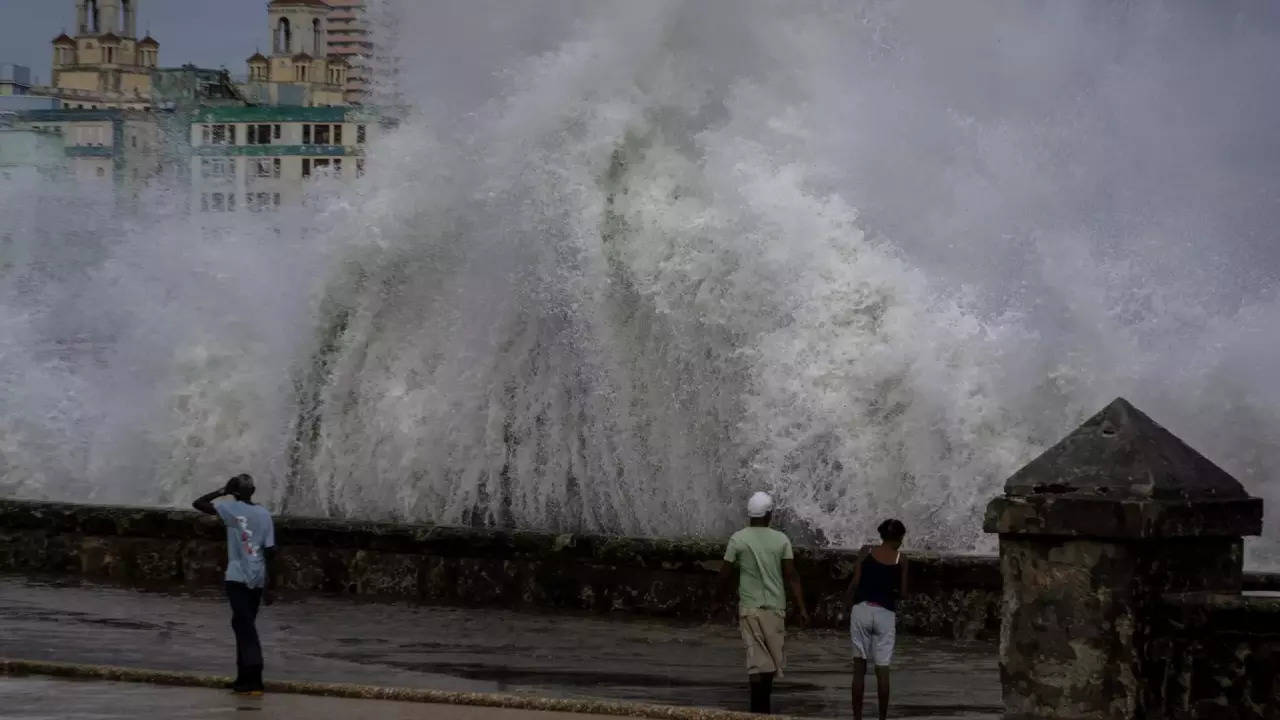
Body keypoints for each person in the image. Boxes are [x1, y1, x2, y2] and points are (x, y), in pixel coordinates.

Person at [719, 491, 810, 714]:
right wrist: (802, 608)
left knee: (756, 662)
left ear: (750, 515)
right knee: (770, 663)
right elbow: (792, 576)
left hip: (749, 608)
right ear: (770, 515)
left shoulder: (737, 539)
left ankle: (757, 710)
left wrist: (717, 599)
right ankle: (763, 709)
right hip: (775, 609)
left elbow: (724, 574)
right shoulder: (781, 540)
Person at [193, 473, 277, 695]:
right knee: (242, 623)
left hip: (237, 576)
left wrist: (222, 491)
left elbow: (199, 503)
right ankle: (243, 679)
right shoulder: (264, 514)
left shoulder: (230, 510)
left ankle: (255, 678)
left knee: (245, 626)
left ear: (234, 492)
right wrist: (271, 586)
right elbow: (270, 551)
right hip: (258, 577)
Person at [843, 519, 908, 720]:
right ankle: (881, 718)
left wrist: (847, 607)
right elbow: (904, 593)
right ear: (899, 538)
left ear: (881, 535)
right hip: (885, 613)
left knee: (859, 669)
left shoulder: (865, 552)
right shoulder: (901, 560)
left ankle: (857, 717)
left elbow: (854, 583)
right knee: (882, 669)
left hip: (861, 610)